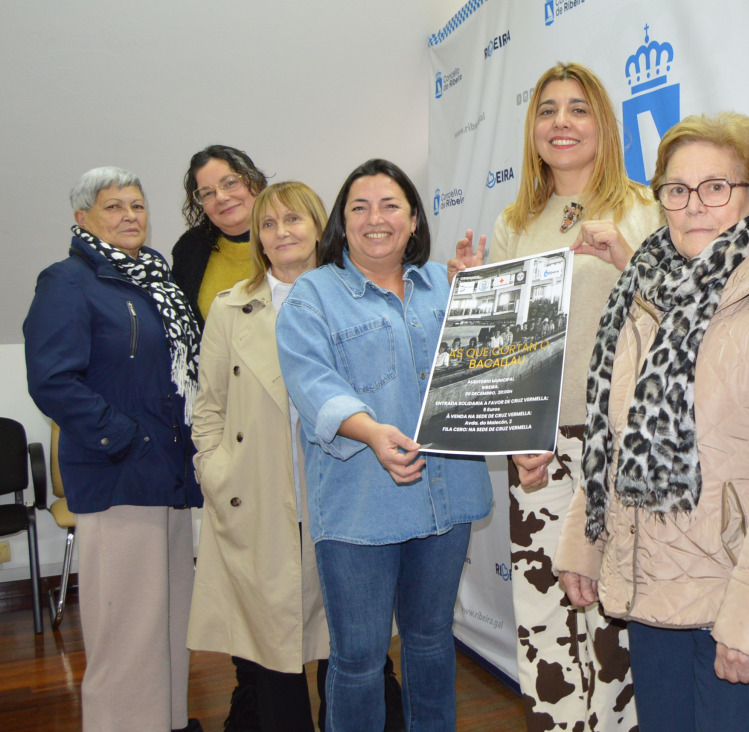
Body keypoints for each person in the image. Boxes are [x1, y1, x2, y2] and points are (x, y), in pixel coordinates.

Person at [554, 112, 749, 732]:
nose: (693, 206)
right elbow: (614, 431)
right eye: (677, 190)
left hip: (738, 594)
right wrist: (585, 538)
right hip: (655, 587)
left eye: (716, 187)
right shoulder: (645, 281)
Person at [449, 61, 661, 731]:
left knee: (613, 619)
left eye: (577, 108)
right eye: (548, 110)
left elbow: (678, 323)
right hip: (539, 445)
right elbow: (508, 347)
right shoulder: (517, 220)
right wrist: (473, 299)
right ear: (532, 128)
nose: (562, 122)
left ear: (602, 122)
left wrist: (627, 256)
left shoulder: (644, 207)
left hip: (619, 445)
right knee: (545, 620)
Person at [276, 159, 491, 731]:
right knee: (359, 660)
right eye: (360, 207)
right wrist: (370, 431)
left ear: (414, 218)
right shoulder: (311, 296)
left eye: (390, 205)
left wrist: (475, 299)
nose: (376, 219)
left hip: (444, 497)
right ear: (342, 224)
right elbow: (312, 382)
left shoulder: (442, 284)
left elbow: (479, 377)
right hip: (358, 508)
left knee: (429, 643)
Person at [24, 167, 202, 732]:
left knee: (168, 622)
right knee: (125, 631)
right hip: (118, 475)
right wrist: (124, 438)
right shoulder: (67, 282)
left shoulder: (154, 282)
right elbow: (52, 381)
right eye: (113, 207)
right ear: (83, 220)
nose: (130, 216)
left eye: (137, 205)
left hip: (168, 476)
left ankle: (169, 722)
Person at [188, 181, 331, 731]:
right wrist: (215, 469)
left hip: (332, 495)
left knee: (342, 646)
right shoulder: (230, 309)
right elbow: (209, 407)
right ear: (259, 240)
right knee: (272, 656)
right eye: (268, 225)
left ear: (318, 227)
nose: (281, 233)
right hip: (257, 499)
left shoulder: (349, 296)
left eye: (293, 220)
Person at [173, 145, 269, 327]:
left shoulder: (289, 238)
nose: (221, 197)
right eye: (208, 193)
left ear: (254, 181)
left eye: (230, 183)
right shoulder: (189, 249)